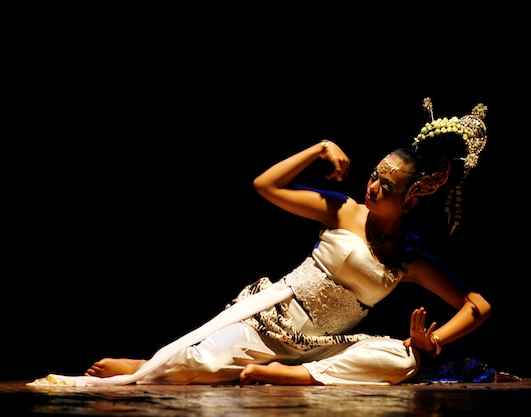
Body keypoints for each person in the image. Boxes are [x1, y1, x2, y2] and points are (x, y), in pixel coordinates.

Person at [29, 98, 491, 387]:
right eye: (374, 175)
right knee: (203, 367)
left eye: (386, 187)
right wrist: (318, 147)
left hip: (317, 349)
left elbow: (477, 304)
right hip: (271, 320)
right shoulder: (343, 209)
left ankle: (293, 378)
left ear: (412, 199)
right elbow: (265, 186)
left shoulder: (408, 258)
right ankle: (146, 365)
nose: (372, 187)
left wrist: (431, 342)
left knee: (400, 359)